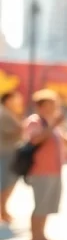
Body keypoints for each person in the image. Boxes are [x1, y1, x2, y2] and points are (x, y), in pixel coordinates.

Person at [23, 89, 67, 240]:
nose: (54, 108)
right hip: (40, 171)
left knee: (47, 205)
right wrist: (54, 125)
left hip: (54, 170)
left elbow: (65, 139)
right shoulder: (35, 122)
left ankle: (41, 237)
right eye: (50, 105)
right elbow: (35, 139)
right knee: (40, 205)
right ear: (41, 106)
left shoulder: (50, 124)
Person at [0, 90, 26, 223]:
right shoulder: (4, 114)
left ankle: (4, 211)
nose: (19, 101)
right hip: (6, 153)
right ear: (8, 100)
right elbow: (16, 131)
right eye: (16, 99)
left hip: (9, 152)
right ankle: (2, 211)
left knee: (8, 182)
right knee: (6, 183)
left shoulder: (9, 113)